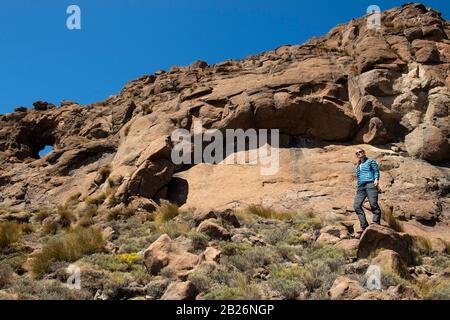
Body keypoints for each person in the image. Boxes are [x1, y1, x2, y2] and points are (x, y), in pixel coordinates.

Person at [353, 148, 381, 239]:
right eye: (357, 153)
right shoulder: (358, 165)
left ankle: (376, 222)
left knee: (373, 203)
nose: (359, 154)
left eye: (360, 152)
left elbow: (376, 171)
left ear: (364, 153)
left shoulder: (371, 161)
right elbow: (358, 176)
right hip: (361, 187)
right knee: (356, 205)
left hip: (370, 184)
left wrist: (376, 179)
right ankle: (364, 226)